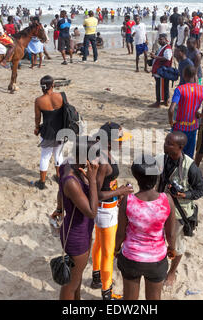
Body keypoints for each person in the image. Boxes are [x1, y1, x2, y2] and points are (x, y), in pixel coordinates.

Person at [115, 155, 176, 300]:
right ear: (156, 175)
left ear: (136, 177)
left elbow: (120, 233)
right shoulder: (166, 200)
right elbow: (170, 233)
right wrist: (172, 248)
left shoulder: (128, 201)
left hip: (131, 257)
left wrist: (116, 249)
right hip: (156, 259)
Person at [90, 122, 133, 300]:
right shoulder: (103, 161)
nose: (121, 143)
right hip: (105, 211)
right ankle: (106, 292)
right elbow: (97, 193)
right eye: (119, 140)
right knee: (108, 252)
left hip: (106, 208)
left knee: (99, 243)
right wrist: (120, 191)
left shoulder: (103, 153)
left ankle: (96, 276)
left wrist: (117, 191)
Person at [157, 131, 203, 287]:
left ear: (180, 147)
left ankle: (172, 272)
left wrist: (184, 194)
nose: (165, 145)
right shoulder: (160, 159)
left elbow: (201, 190)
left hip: (178, 213)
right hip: (159, 207)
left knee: (176, 243)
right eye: (165, 141)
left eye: (169, 143)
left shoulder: (190, 167)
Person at [57, 139, 100, 300]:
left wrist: (60, 208)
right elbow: (91, 212)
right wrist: (93, 179)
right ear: (86, 159)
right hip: (77, 235)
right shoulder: (72, 182)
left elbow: (59, 192)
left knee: (77, 276)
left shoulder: (67, 166)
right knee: (70, 284)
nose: (98, 161)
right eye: (96, 157)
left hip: (78, 229)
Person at [169, 65, 203, 158]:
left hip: (179, 127)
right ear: (195, 75)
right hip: (193, 127)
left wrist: (171, 122)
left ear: (184, 75)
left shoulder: (180, 89)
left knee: (175, 153)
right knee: (188, 155)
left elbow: (171, 109)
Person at [34, 76, 65, 190]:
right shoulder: (60, 96)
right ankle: (59, 176)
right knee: (58, 154)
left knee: (45, 156)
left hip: (47, 131)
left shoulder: (39, 100)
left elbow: (38, 117)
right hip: (61, 130)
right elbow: (65, 112)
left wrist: (37, 128)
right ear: (53, 85)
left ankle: (42, 182)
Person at [148, 33, 173, 109]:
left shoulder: (167, 48)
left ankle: (158, 102)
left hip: (162, 71)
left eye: (161, 39)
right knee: (163, 86)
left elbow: (167, 58)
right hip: (159, 70)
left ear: (166, 40)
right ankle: (165, 100)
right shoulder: (163, 47)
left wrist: (155, 57)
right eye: (159, 39)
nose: (159, 41)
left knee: (160, 86)